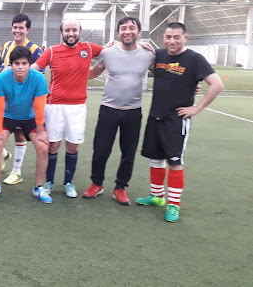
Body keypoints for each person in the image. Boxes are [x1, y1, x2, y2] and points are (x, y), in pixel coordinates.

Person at [135, 22, 223, 222]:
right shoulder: (160, 55)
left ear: (185, 38)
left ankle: (174, 205)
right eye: (167, 37)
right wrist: (138, 43)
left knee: (174, 162)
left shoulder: (194, 59)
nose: (171, 41)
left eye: (176, 37)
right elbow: (138, 47)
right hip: (156, 115)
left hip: (176, 120)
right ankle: (157, 197)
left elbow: (217, 84)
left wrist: (197, 108)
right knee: (155, 158)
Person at [82, 17, 154, 205]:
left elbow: (165, 73)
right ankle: (96, 184)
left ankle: (120, 187)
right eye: (123, 28)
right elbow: (94, 71)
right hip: (108, 110)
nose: (127, 31)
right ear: (118, 32)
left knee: (128, 152)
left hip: (133, 112)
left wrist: (190, 86)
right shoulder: (107, 53)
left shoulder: (149, 54)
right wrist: (70, 76)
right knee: (100, 149)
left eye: (132, 28)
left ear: (139, 32)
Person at [32, 19, 103, 198]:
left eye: (74, 30)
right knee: (53, 145)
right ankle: (48, 182)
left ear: (80, 31)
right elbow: (34, 69)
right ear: (61, 32)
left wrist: (94, 71)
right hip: (53, 105)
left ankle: (68, 183)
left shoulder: (89, 48)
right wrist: (13, 73)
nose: (71, 33)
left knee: (72, 146)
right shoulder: (52, 51)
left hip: (77, 106)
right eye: (67, 30)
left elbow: (112, 54)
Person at [0, 46, 51, 203]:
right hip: (8, 116)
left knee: (43, 147)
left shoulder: (38, 78)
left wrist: (40, 131)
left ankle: (39, 188)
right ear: (11, 64)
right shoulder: (2, 78)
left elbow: (39, 107)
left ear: (29, 64)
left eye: (24, 63)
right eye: (17, 63)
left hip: (30, 118)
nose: (20, 67)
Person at [0, 13, 43, 185]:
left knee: (19, 133)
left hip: (21, 98)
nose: (17, 31)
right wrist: (0, 73)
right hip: (4, 94)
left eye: (21, 28)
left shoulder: (34, 49)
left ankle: (16, 171)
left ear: (27, 30)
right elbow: (3, 67)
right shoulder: (6, 46)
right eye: (15, 27)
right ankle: (3, 153)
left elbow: (36, 74)